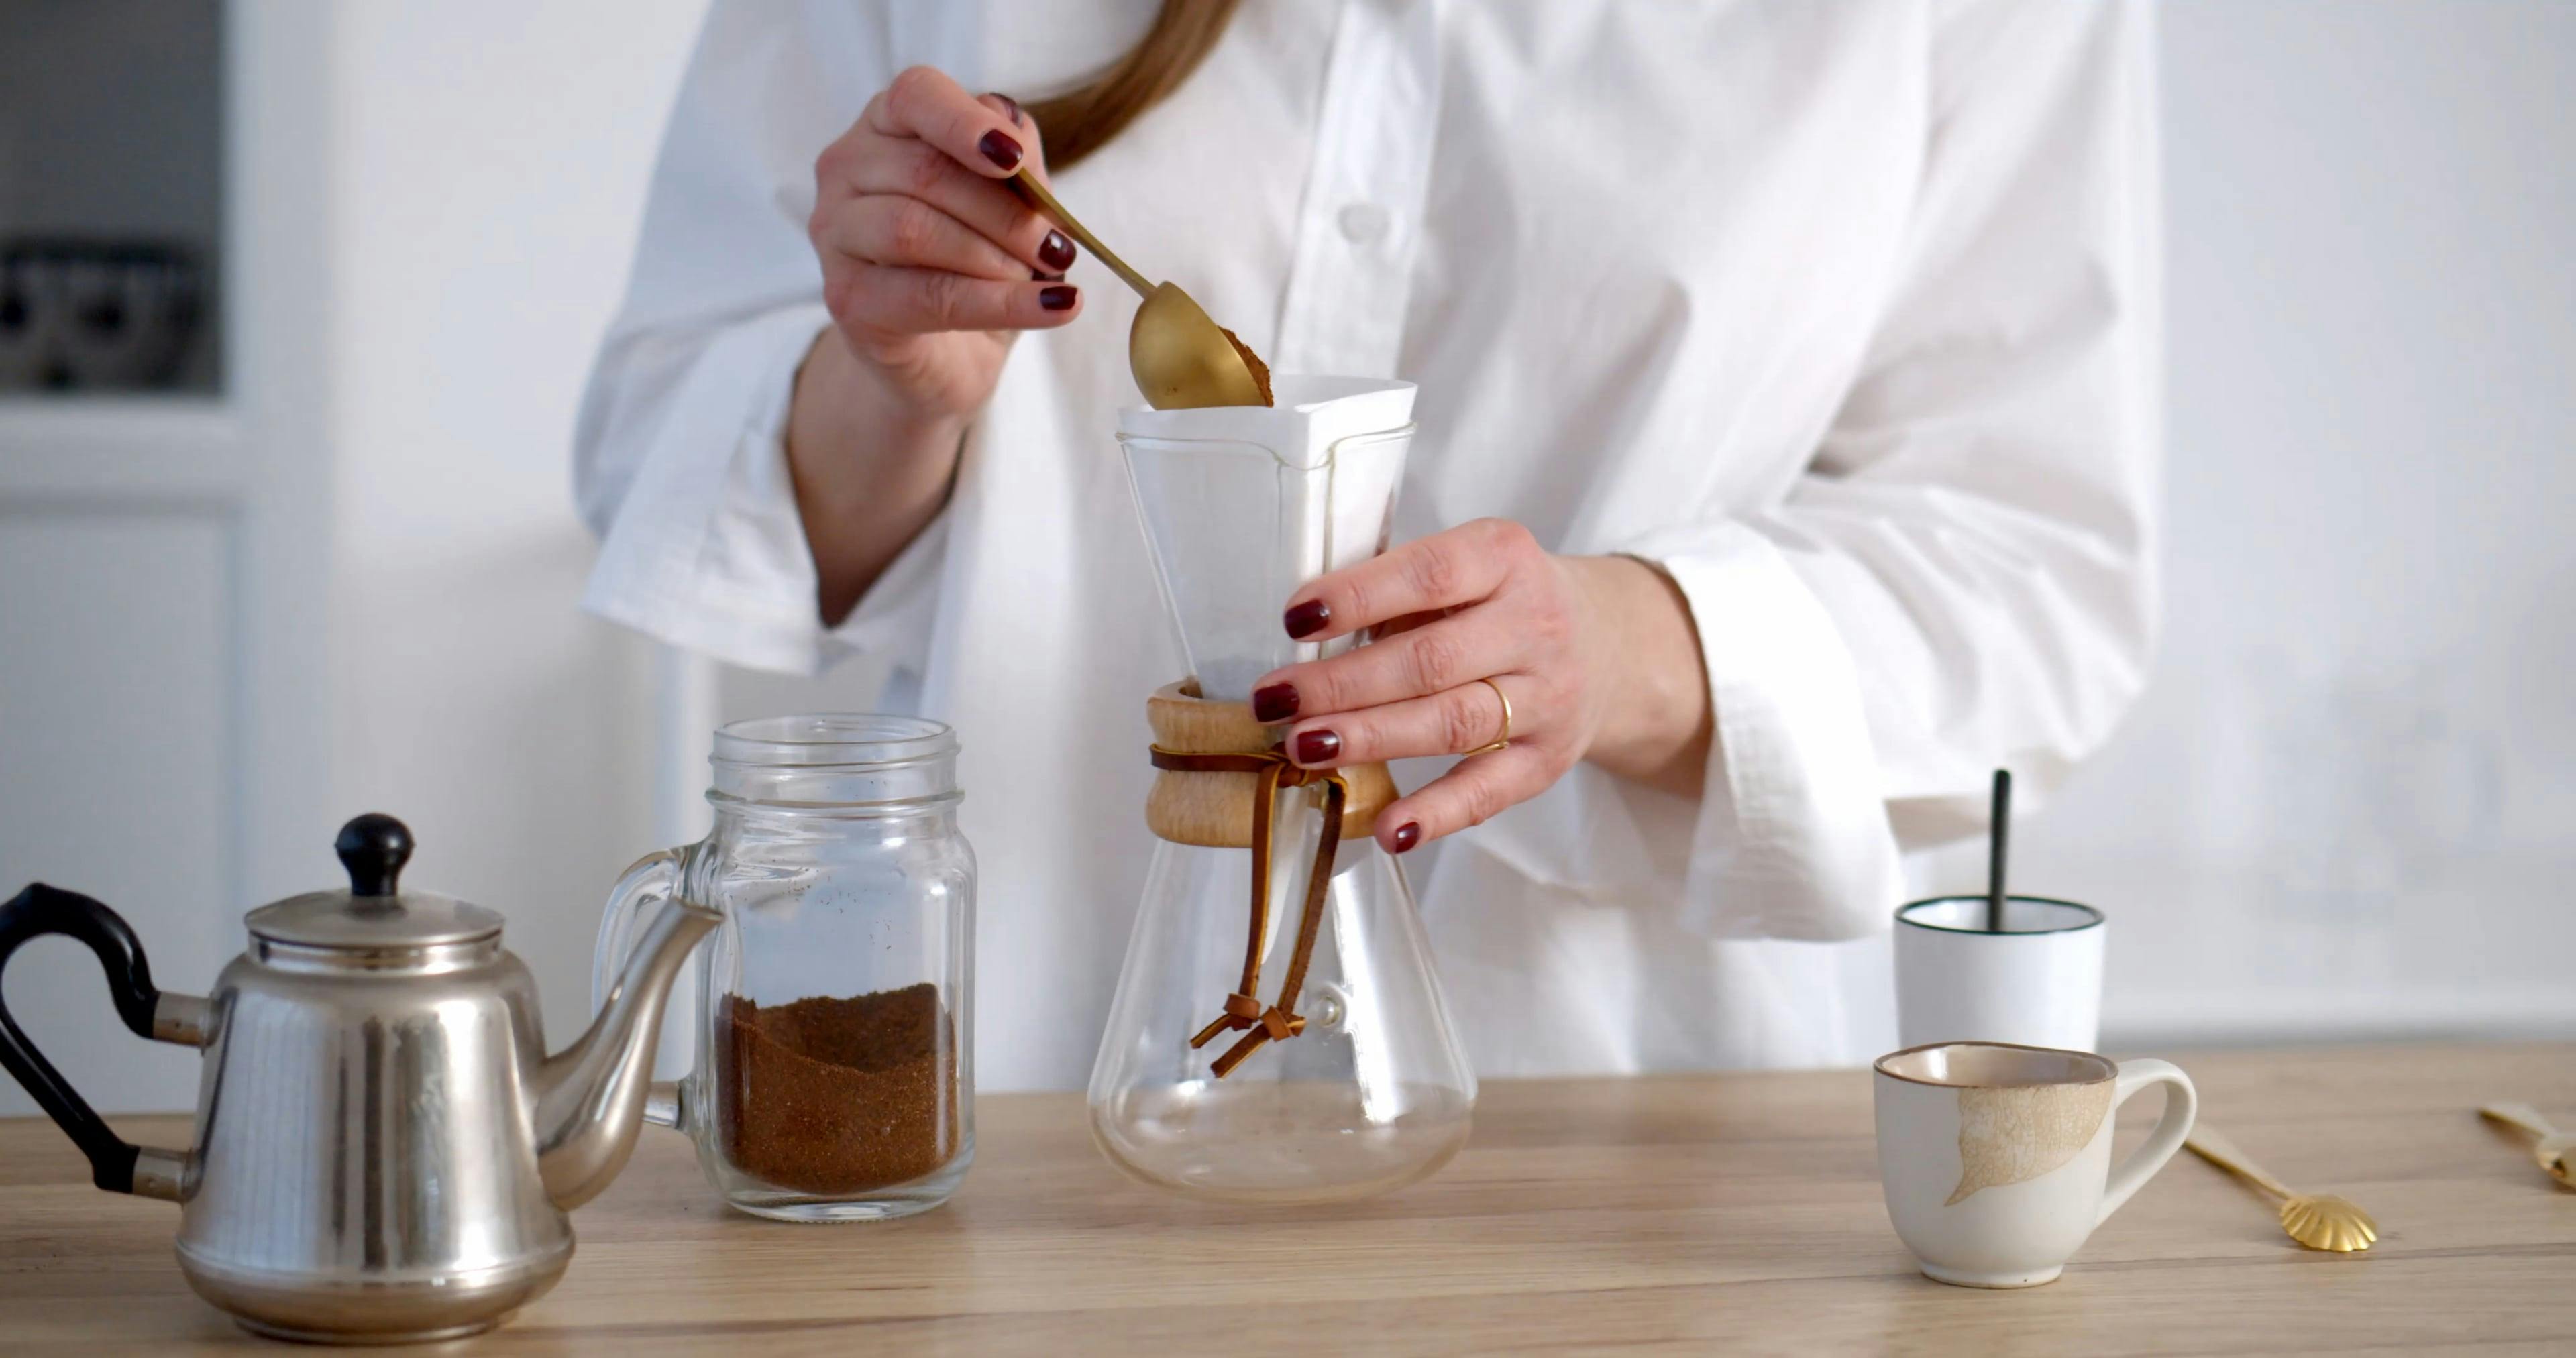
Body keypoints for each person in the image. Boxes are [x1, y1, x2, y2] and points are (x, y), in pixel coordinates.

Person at [576, 0, 2159, 1088]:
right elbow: (665, 461)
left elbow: (2041, 577)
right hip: (1025, 1096)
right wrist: (887, 380)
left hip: (1635, 1136)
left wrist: (1618, 647)